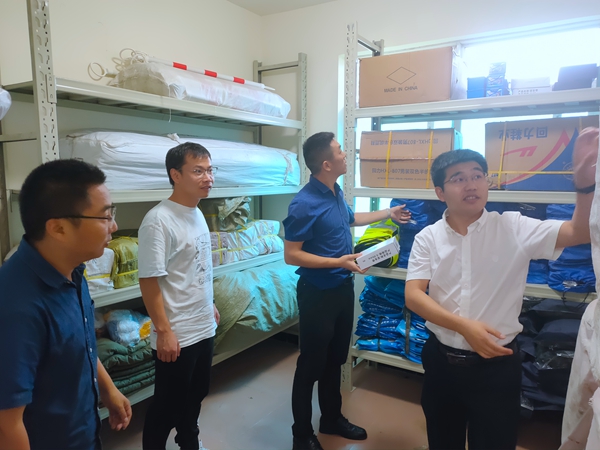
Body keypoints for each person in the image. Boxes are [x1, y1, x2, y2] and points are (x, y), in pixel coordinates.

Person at [405, 127, 599, 450]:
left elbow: (579, 231)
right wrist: (464, 327)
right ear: (440, 192)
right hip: (441, 363)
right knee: (442, 441)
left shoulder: (514, 227)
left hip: (497, 367)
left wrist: (585, 185)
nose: (471, 184)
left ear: (487, 182)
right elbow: (413, 295)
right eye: (458, 179)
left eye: (477, 175)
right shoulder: (428, 237)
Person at [283, 131, 411, 450]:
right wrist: (337, 261)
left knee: (336, 359)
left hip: (341, 288)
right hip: (317, 293)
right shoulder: (303, 204)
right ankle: (301, 434)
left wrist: (389, 213)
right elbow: (292, 255)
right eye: (340, 150)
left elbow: (353, 218)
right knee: (311, 365)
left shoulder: (335, 192)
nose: (346, 154)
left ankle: (331, 418)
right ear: (326, 164)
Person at [0, 159, 132, 449]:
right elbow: (7, 426)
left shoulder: (72, 270)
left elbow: (78, 341)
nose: (114, 225)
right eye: (105, 216)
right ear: (58, 228)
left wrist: (108, 389)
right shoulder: (16, 306)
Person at [139, 142, 220, 450]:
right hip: (177, 332)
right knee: (167, 406)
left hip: (203, 325)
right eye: (198, 171)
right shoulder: (158, 220)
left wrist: (210, 304)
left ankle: (189, 442)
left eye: (210, 170)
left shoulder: (196, 212)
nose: (208, 178)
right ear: (175, 175)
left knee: (197, 394)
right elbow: (149, 280)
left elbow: (197, 267)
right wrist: (164, 331)